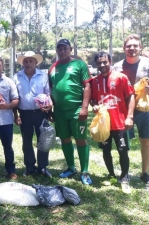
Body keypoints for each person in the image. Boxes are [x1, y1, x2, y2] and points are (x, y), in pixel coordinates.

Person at [113, 34, 149, 187]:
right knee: (124, 143)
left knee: (146, 140)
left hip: (144, 107)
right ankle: (125, 172)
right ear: (124, 48)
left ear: (140, 47)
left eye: (135, 45)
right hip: (124, 109)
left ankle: (145, 173)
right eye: (129, 46)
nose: (132, 48)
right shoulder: (117, 66)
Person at [49, 39, 93, 185]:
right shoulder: (52, 68)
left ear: (70, 49)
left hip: (76, 110)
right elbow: (51, 90)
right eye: (59, 49)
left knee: (80, 139)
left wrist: (84, 107)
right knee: (65, 139)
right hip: (59, 111)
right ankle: (71, 168)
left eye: (65, 48)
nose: (62, 51)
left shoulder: (79, 64)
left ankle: (85, 171)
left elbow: (87, 86)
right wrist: (50, 108)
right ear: (57, 50)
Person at [90, 52, 135, 193]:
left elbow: (131, 96)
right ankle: (111, 175)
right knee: (106, 150)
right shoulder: (95, 81)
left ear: (110, 61)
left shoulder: (121, 77)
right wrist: (94, 105)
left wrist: (130, 116)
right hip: (104, 124)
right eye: (99, 63)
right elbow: (93, 100)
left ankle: (125, 177)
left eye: (105, 62)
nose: (102, 65)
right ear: (96, 64)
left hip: (119, 122)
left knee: (122, 150)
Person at [13, 51, 52, 178]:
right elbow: (14, 97)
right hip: (24, 114)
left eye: (31, 61)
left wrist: (49, 106)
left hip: (41, 113)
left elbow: (48, 94)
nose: (28, 63)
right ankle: (30, 167)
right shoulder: (17, 77)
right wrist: (16, 114)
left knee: (43, 140)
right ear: (23, 63)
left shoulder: (43, 76)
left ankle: (42, 167)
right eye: (26, 61)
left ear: (36, 62)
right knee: (27, 141)